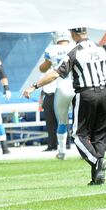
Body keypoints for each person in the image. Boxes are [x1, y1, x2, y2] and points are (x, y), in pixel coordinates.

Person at [23, 28, 106, 185]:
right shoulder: (101, 49)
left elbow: (55, 73)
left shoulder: (75, 52)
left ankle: (97, 162)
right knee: (99, 136)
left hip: (86, 94)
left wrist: (34, 86)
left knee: (78, 136)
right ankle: (97, 177)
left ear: (73, 34)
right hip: (104, 93)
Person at [35, 31, 75, 160]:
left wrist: (49, 62)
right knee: (81, 121)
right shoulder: (75, 46)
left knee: (62, 122)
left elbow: (43, 69)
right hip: (76, 87)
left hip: (61, 88)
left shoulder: (52, 49)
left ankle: (62, 151)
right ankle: (86, 149)